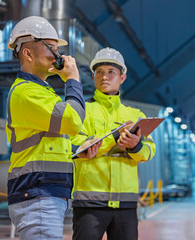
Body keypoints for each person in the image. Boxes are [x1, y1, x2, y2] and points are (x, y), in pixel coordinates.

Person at [6, 16, 85, 239]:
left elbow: (48, 142)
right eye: (51, 47)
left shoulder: (43, 92)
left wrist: (77, 150)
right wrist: (73, 80)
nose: (57, 55)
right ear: (28, 53)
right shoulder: (26, 93)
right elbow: (73, 120)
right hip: (38, 193)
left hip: (45, 193)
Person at [71, 47, 156, 240]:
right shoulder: (82, 111)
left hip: (125, 203)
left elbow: (150, 151)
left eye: (111, 72)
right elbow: (76, 146)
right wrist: (115, 137)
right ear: (93, 76)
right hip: (90, 203)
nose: (104, 77)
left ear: (122, 77)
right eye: (99, 72)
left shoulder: (136, 116)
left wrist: (135, 145)